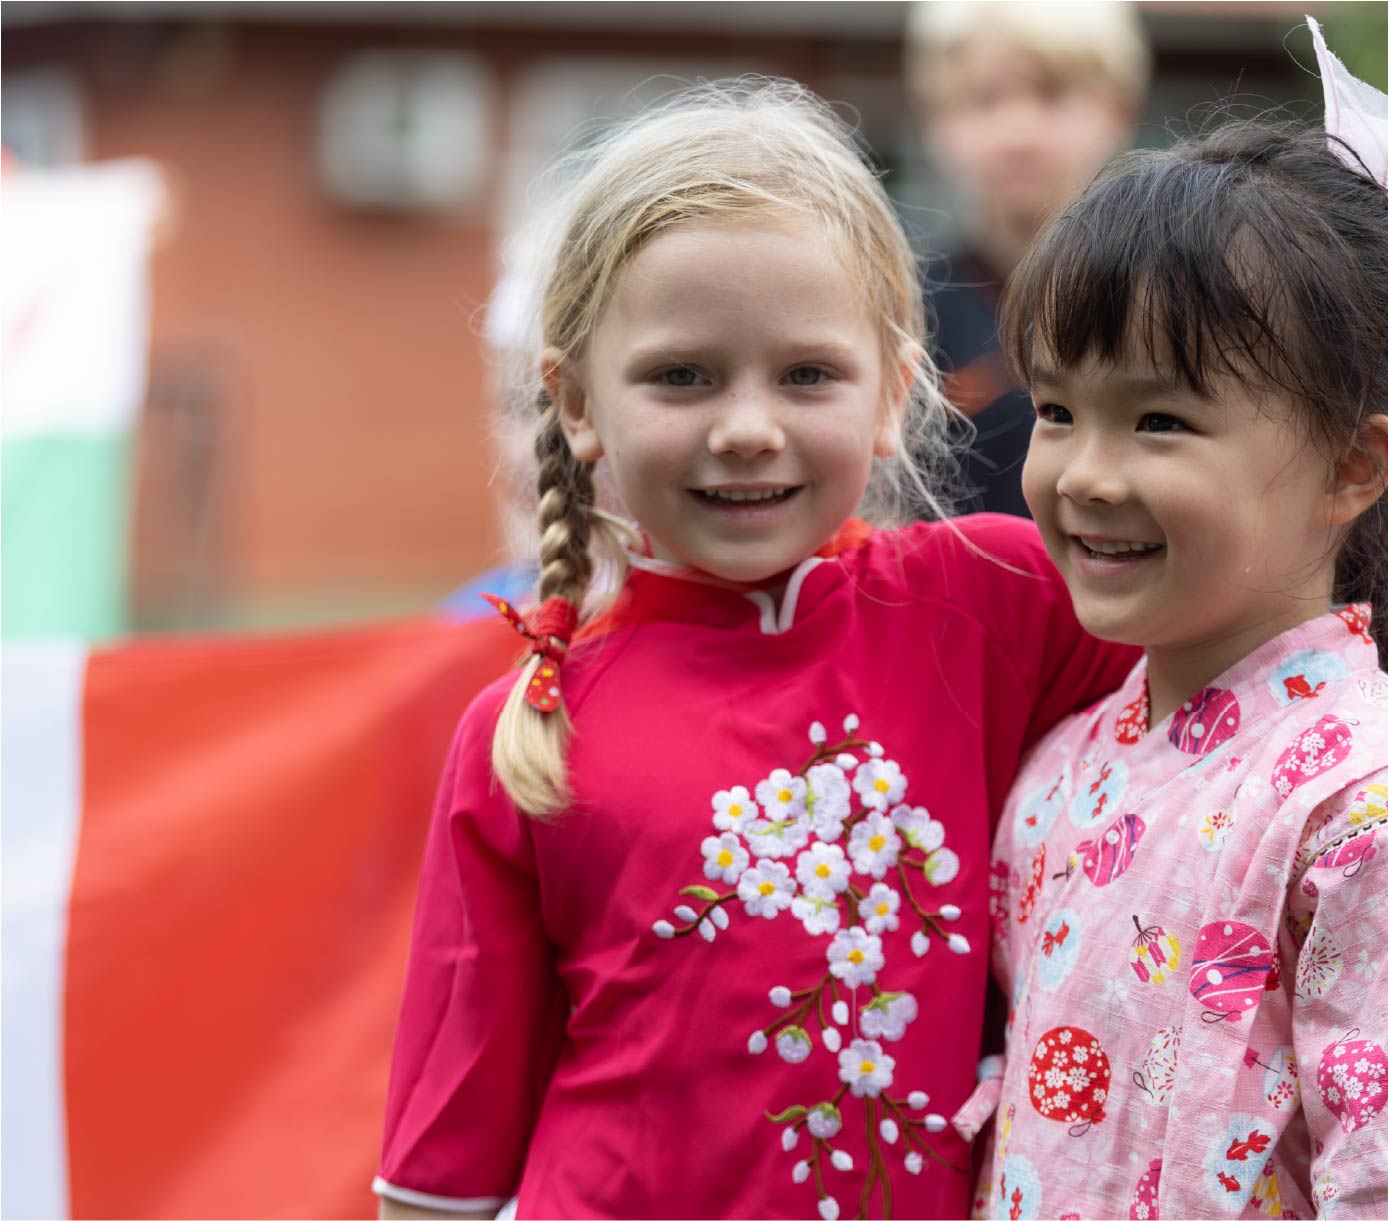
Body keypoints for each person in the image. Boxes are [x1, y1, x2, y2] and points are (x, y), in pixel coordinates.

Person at [371, 80, 1136, 1220]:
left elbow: (1232, 679)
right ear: (577, 403)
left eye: (807, 374)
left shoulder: (998, 604)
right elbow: (440, 1163)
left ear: (891, 391)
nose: (745, 425)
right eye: (682, 375)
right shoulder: (528, 727)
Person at [971, 21, 1388, 1220]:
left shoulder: (1386, 803)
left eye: (1160, 422)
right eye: (1056, 409)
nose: (1085, 473)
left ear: (1354, 467)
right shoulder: (1062, 768)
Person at [906, 0, 1148, 516]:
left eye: (1051, 94)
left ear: (1120, 108)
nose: (1018, 132)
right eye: (982, 99)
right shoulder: (902, 314)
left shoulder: (1171, 301)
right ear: (935, 119)